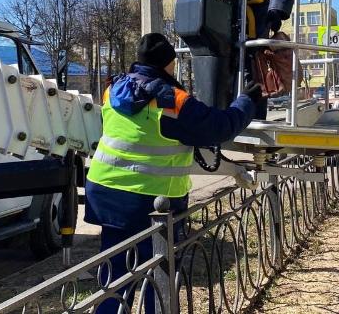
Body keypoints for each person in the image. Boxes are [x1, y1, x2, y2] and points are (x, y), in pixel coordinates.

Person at [84, 33, 262, 313]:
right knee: (161, 273)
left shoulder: (113, 88)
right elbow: (220, 127)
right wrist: (247, 101)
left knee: (116, 274)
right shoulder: (170, 100)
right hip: (150, 201)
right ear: (169, 63)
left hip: (105, 191)